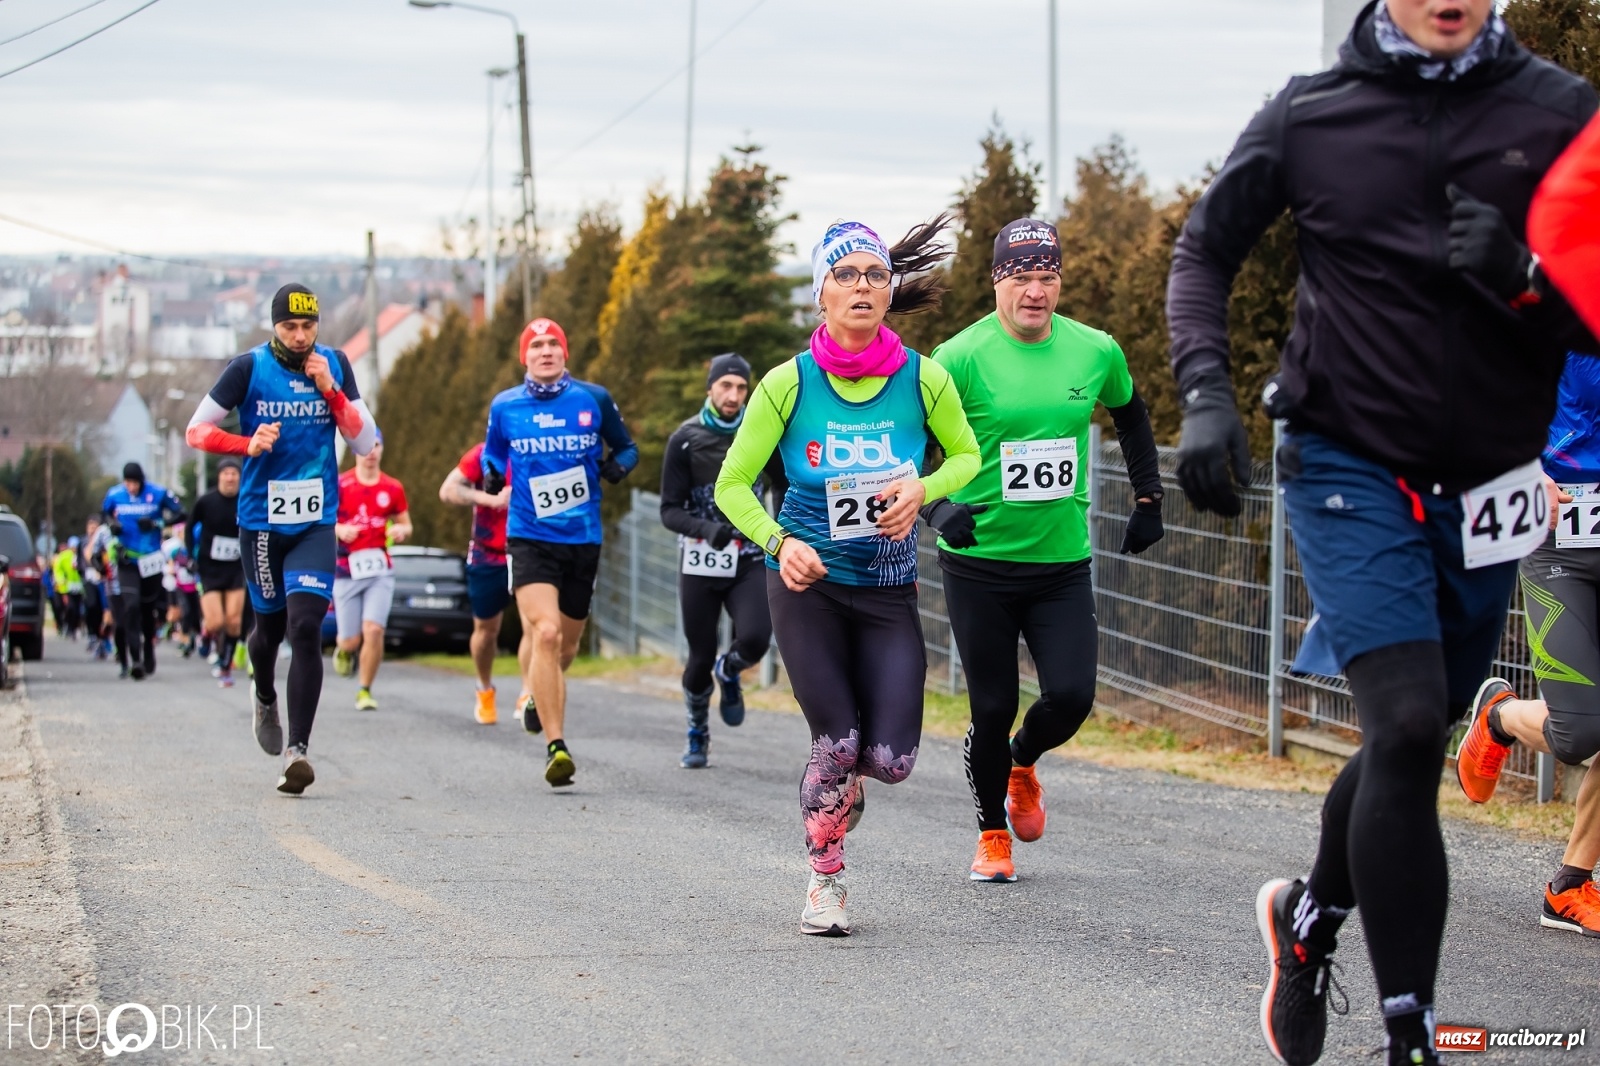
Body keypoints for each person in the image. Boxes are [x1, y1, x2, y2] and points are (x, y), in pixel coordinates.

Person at [1164, 3, 1597, 1063]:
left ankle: (1308, 922)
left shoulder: (1557, 114)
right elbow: (1203, 253)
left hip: (1491, 483)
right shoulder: (1314, 115)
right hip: (1344, 461)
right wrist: (1206, 395)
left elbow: (1588, 318)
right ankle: (1410, 1032)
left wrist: (1524, 281)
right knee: (1403, 725)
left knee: (1426, 723)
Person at [715, 218, 981, 936]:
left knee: (889, 760)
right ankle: (825, 880)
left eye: (874, 275)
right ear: (821, 294)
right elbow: (732, 485)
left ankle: (846, 785)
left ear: (889, 291)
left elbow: (968, 457)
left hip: (888, 585)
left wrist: (924, 488)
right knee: (835, 742)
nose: (861, 286)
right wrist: (777, 541)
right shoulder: (786, 384)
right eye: (845, 275)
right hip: (806, 584)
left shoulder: (924, 379)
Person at [927, 218, 1164, 883]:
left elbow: (1133, 413)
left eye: (1047, 277)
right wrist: (935, 505)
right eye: (1022, 277)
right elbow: (912, 444)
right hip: (979, 562)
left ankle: (1023, 763)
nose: (1036, 291)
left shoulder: (1094, 350)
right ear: (997, 281)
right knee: (992, 706)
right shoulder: (960, 356)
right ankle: (992, 834)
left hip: (1060, 562)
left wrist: (1149, 498)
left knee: (1071, 694)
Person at [186, 283, 377, 794]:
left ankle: (298, 750)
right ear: (274, 326)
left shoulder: (334, 363)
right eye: (289, 327)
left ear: (318, 325)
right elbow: (196, 431)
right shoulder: (247, 368)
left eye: (307, 326)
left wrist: (332, 391)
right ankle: (264, 692)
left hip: (316, 520)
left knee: (307, 625)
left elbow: (365, 440)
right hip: (263, 523)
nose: (299, 336)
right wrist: (246, 443)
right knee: (267, 632)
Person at [1453, 352, 1600, 937]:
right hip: (1557, 541)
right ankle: (1501, 716)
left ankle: (1570, 886)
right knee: (1583, 732)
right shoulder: (1555, 301)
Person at [482, 317, 638, 787]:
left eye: (554, 344)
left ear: (565, 353)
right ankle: (557, 745)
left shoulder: (593, 398)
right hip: (529, 537)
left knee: (566, 646)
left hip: (582, 539)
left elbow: (628, 448)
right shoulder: (506, 405)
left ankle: (537, 695)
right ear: (524, 356)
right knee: (545, 633)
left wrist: (615, 469)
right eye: (537, 345)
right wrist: (492, 475)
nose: (546, 351)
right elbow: (493, 452)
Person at [660, 352, 787, 768]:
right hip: (701, 559)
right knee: (698, 655)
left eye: (740, 388)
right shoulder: (684, 439)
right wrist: (707, 529)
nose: (733, 395)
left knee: (755, 638)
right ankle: (697, 731)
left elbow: (784, 486)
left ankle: (730, 671)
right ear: (710, 388)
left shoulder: (761, 433)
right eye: (725, 386)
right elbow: (669, 510)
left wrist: (783, 532)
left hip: (750, 556)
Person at [439, 441, 527, 726]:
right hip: (487, 554)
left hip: (528, 549)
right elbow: (448, 490)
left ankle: (528, 694)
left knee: (536, 625)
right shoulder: (485, 454)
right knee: (486, 630)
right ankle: (484, 688)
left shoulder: (540, 448)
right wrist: (492, 499)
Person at [331, 432, 411, 710]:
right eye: (366, 446)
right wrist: (339, 529)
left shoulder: (392, 488)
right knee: (351, 638)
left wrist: (401, 530)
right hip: (346, 569)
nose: (371, 451)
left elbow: (406, 523)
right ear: (355, 450)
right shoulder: (340, 484)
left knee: (374, 630)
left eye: (376, 445)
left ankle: (365, 689)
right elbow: (323, 520)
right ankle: (346, 649)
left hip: (379, 568)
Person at [102, 462, 186, 680]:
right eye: (128, 483)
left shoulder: (157, 493)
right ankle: (135, 659)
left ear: (142, 481)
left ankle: (148, 647)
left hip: (151, 561)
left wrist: (158, 522)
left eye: (135, 483)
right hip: (127, 560)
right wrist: (113, 525)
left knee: (148, 610)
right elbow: (105, 515)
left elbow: (181, 513)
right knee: (131, 607)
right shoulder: (114, 495)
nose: (131, 487)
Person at [187, 458, 247, 688]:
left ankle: (225, 663)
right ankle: (206, 634)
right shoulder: (206, 501)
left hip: (236, 566)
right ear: (220, 476)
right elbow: (190, 526)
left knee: (233, 621)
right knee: (215, 622)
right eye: (226, 473)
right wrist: (190, 556)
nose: (230, 478)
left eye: (234, 474)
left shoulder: (246, 499)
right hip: (209, 567)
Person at [161, 525, 200, 657]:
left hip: (194, 586)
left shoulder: (194, 549)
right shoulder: (175, 551)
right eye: (181, 533)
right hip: (181, 586)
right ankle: (185, 639)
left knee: (196, 614)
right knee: (185, 612)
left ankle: (194, 636)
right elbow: (170, 567)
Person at [51, 538, 84, 640]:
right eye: (72, 547)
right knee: (70, 608)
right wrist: (61, 580)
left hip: (80, 588)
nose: (74, 549)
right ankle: (68, 627)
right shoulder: (64, 556)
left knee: (78, 610)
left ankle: (74, 628)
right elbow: (57, 569)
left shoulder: (81, 555)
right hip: (67, 587)